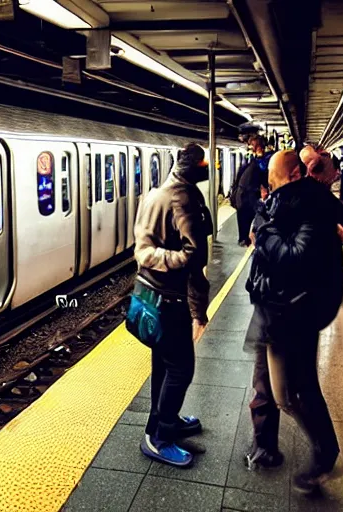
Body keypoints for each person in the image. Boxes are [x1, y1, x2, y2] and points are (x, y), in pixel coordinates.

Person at [244, 150, 343, 494]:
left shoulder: (308, 207)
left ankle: (326, 453)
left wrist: (265, 235)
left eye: (272, 179)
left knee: (292, 392)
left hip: (293, 313)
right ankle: (275, 448)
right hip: (279, 310)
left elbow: (294, 257)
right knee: (286, 389)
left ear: (291, 175)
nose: (268, 187)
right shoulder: (292, 203)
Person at [132, 142, 212, 467]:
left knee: (163, 366)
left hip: (151, 294)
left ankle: (166, 419)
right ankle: (159, 437)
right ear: (196, 169)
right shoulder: (184, 199)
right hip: (170, 299)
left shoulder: (156, 193)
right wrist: (199, 312)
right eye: (206, 166)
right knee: (181, 369)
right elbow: (195, 259)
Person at [231, 136, 272, 246]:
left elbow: (263, 172)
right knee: (244, 219)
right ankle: (244, 239)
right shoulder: (250, 159)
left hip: (251, 196)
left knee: (252, 221)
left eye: (251, 145)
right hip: (244, 196)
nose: (249, 148)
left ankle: (250, 240)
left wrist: (259, 158)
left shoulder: (265, 159)